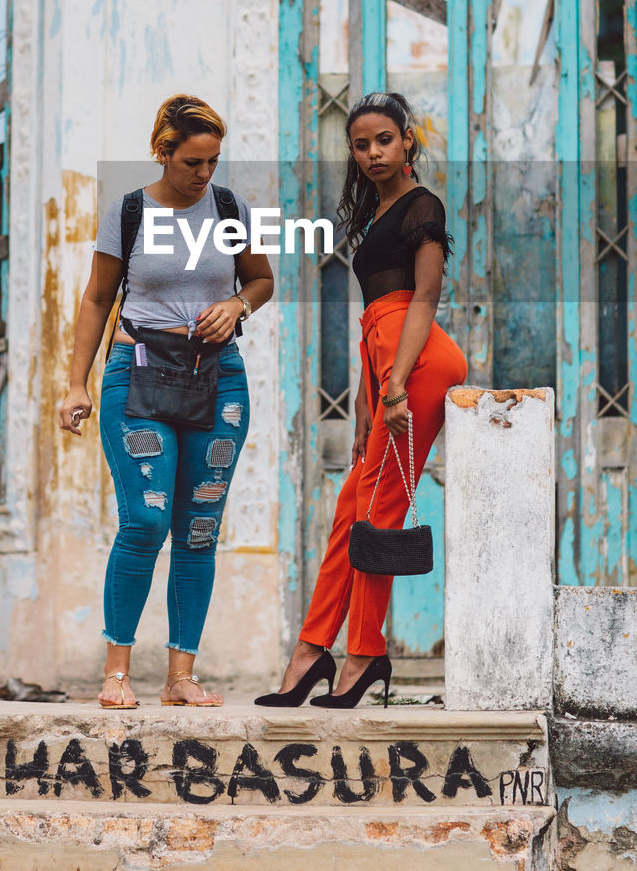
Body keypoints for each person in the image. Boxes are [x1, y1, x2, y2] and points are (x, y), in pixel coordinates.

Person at [59, 94, 273, 709]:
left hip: (218, 377)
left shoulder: (230, 210)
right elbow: (98, 298)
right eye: (191, 162)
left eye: (213, 161)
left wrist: (238, 304)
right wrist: (76, 382)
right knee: (146, 521)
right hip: (139, 373)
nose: (204, 174)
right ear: (164, 152)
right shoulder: (126, 213)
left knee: (198, 528)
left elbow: (260, 278)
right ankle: (116, 672)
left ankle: (180, 678)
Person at [255, 91, 467, 709]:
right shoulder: (375, 215)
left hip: (419, 362)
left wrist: (397, 384)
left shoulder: (423, 206)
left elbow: (422, 299)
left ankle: (355, 653)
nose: (372, 152)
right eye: (360, 143)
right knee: (357, 507)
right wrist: (365, 406)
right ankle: (320, 649)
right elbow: (372, 319)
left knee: (376, 510)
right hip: (389, 364)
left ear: (408, 142)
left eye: (384, 140)